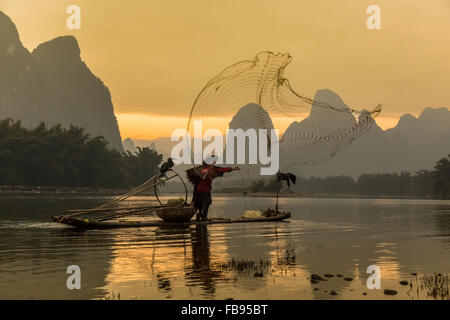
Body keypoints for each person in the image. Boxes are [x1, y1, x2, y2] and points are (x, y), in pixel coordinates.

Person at [188, 154, 239, 222]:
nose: (214, 163)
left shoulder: (213, 169)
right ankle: (203, 217)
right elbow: (202, 173)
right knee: (206, 201)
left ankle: (200, 216)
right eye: (212, 162)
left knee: (202, 202)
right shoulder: (203, 169)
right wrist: (205, 172)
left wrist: (233, 169)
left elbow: (222, 169)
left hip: (206, 189)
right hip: (201, 189)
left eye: (214, 162)